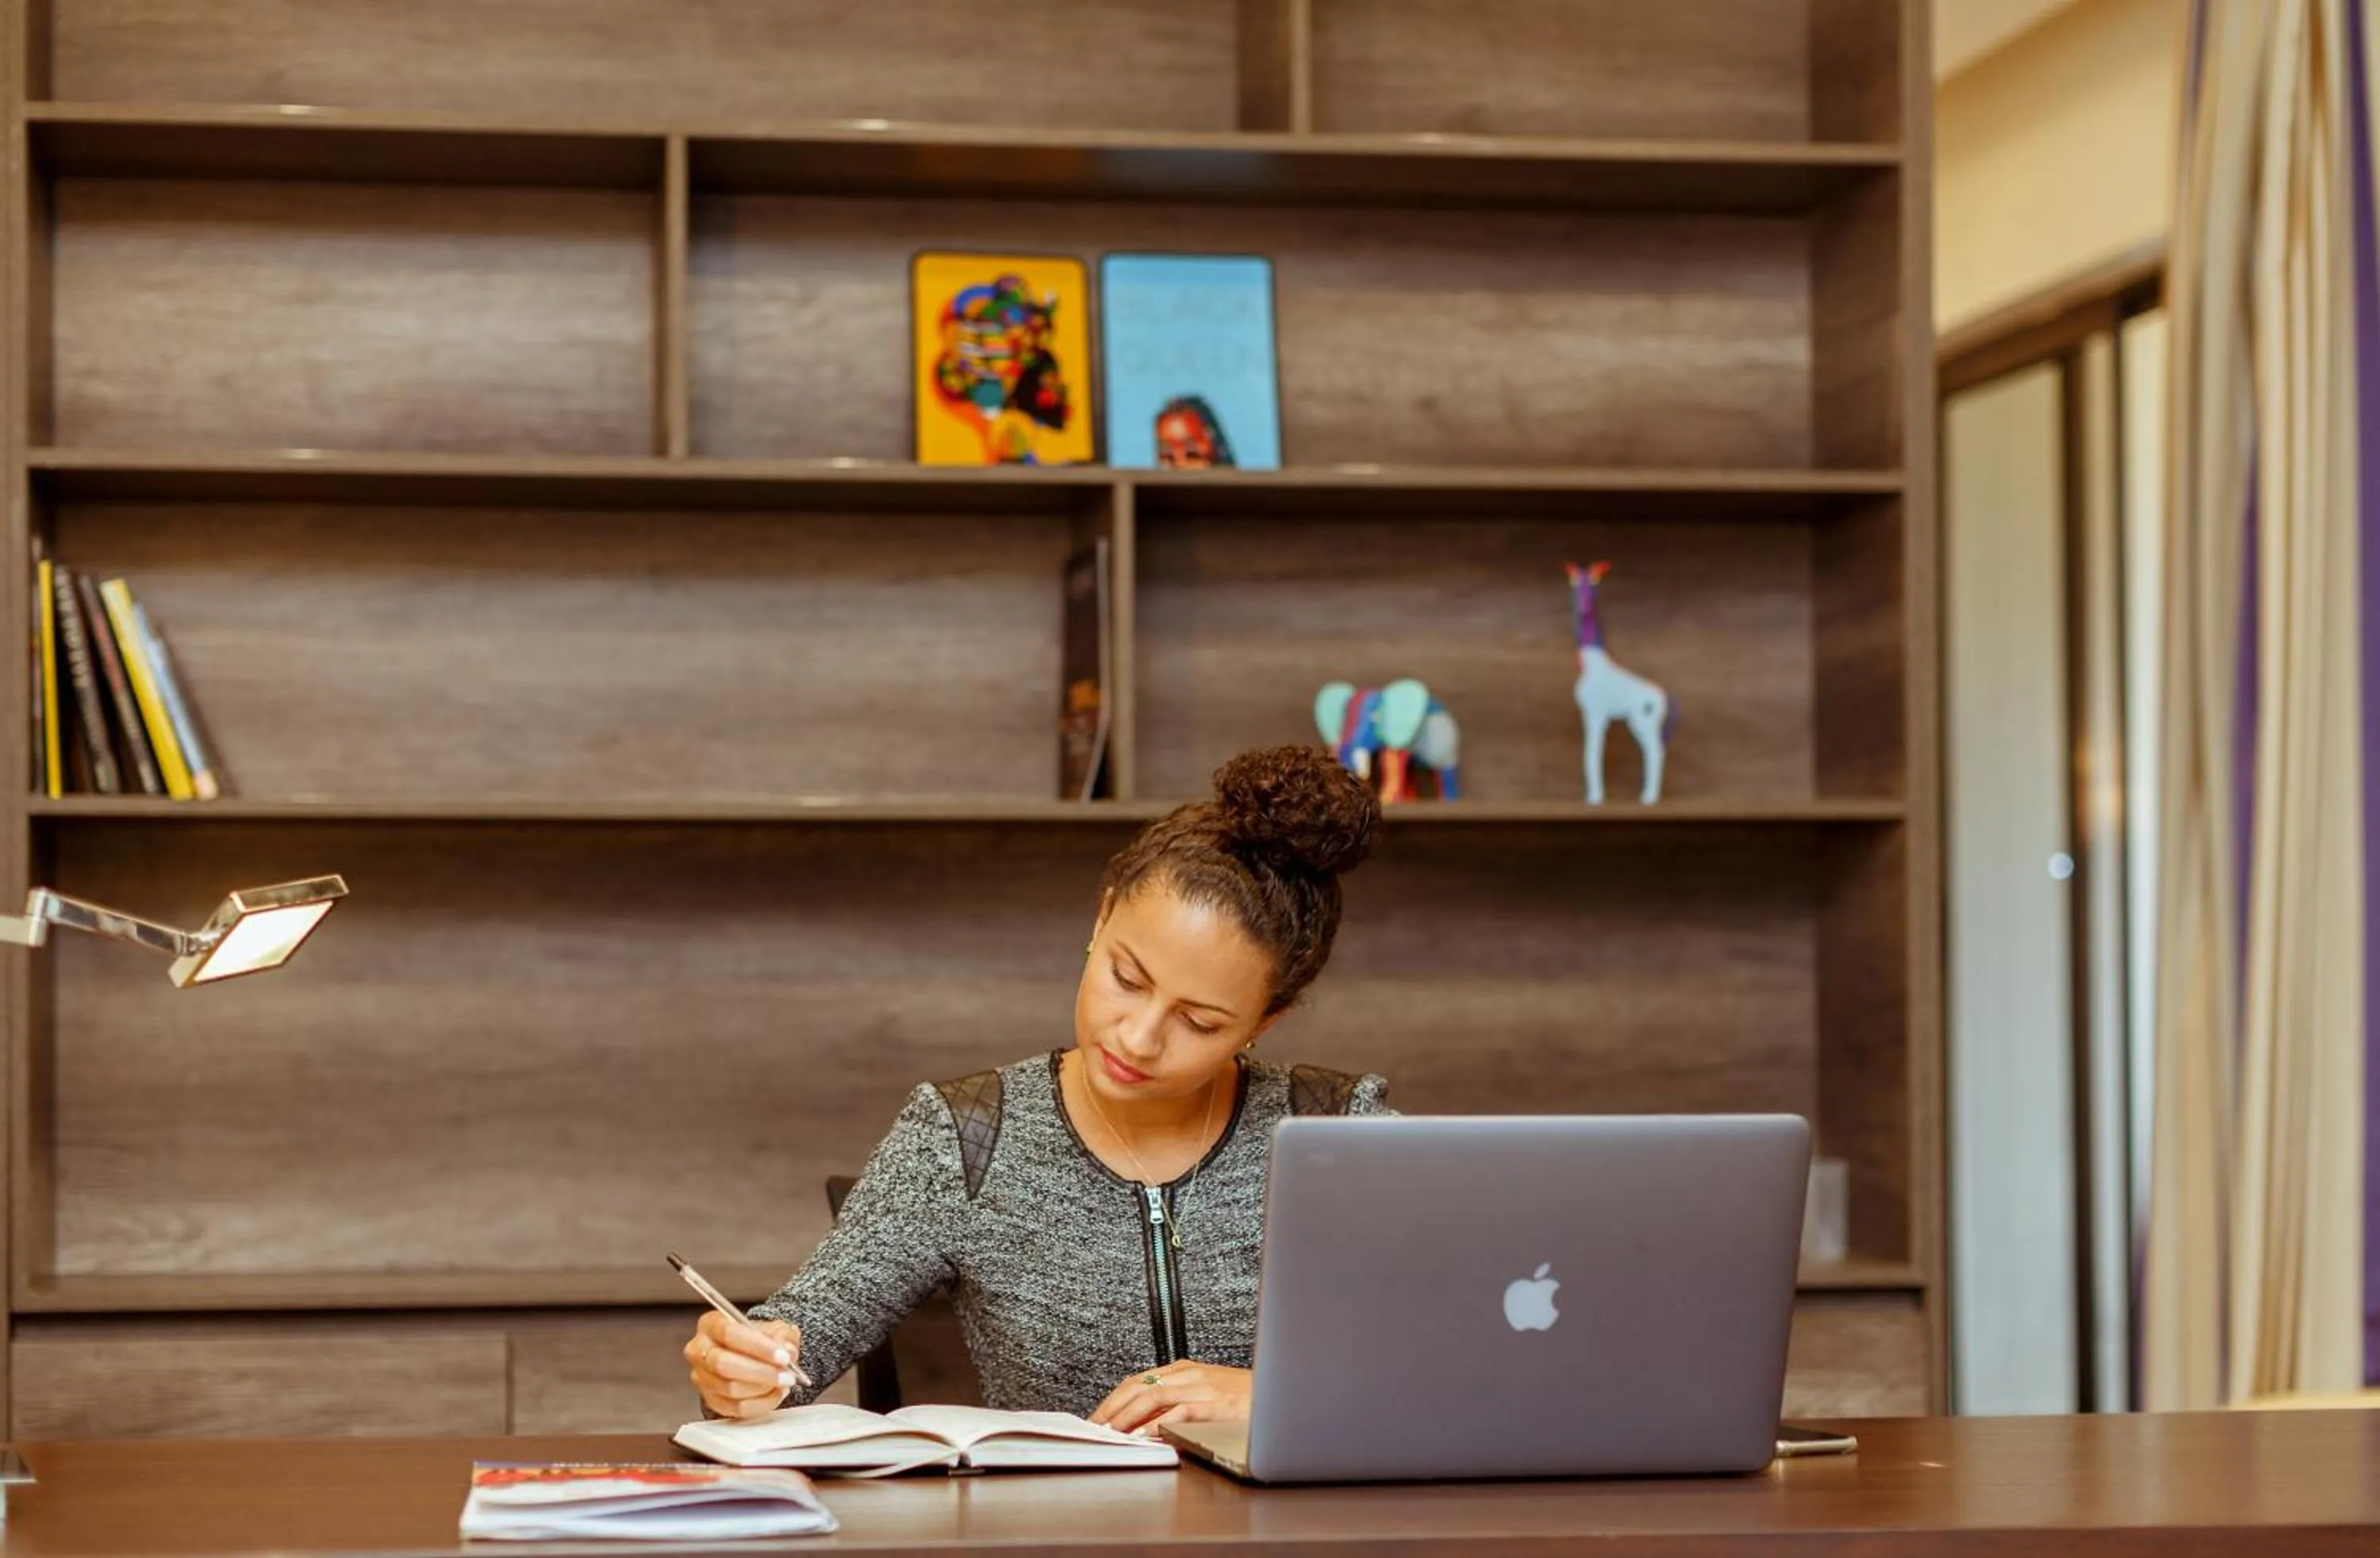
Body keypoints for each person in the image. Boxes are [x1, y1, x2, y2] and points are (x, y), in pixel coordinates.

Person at [683, 743, 1392, 1437]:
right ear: (1101, 919)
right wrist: (742, 1372)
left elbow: (1454, 1364)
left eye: (1198, 1021)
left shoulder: (1341, 1131)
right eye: (1127, 979)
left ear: (1265, 1020)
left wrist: (1276, 1395)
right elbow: (798, 1344)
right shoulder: (967, 1136)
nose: (1138, 1037)